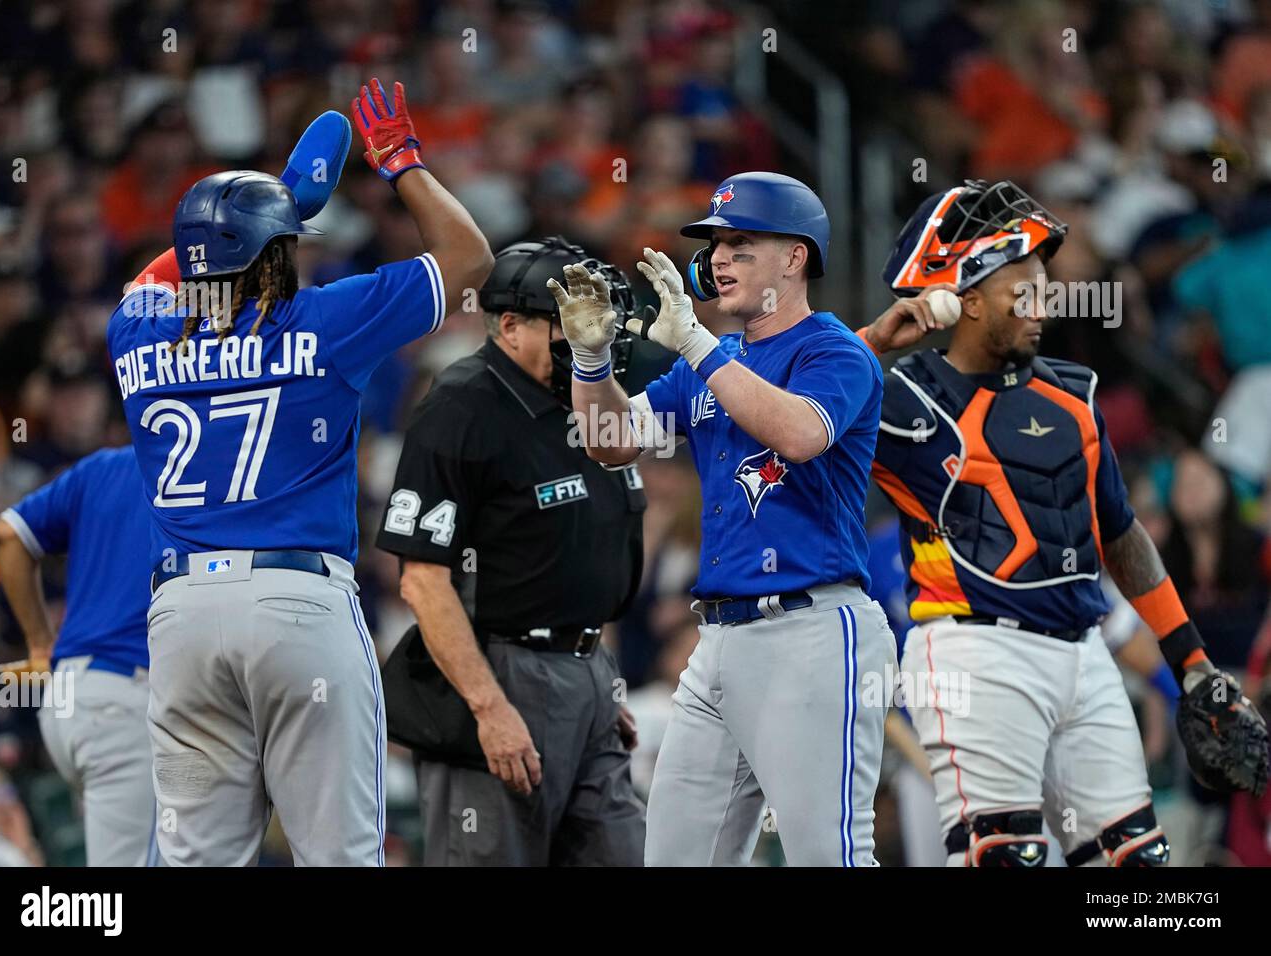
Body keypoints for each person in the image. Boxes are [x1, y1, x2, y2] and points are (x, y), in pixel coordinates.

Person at [105, 77, 493, 866]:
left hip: (180, 616)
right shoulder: (324, 317)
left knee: (198, 860)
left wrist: (272, 203)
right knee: (341, 854)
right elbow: (469, 256)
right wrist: (400, 160)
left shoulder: (133, 332)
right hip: (295, 603)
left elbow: (163, 276)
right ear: (278, 252)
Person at [859, 178, 1268, 866]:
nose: (1042, 304)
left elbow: (1121, 534)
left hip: (1086, 655)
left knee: (1136, 868)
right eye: (1023, 291)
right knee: (1005, 858)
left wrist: (1192, 663)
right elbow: (786, 424)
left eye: (1045, 287)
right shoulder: (903, 398)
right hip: (973, 654)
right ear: (967, 299)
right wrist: (871, 341)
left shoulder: (1073, 394)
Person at [553, 171, 897, 866]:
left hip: (813, 629)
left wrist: (697, 348)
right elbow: (611, 439)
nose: (718, 259)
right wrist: (591, 362)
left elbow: (800, 434)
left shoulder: (835, 349)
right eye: (715, 245)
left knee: (827, 854)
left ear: (795, 257)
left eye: (741, 243)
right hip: (718, 641)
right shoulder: (712, 361)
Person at [376, 236, 649, 866]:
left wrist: (595, 678)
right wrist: (488, 707)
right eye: (571, 320)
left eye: (600, 318)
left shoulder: (589, 398)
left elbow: (576, 555)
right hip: (500, 671)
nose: (592, 334)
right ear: (509, 324)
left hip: (587, 668)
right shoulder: (461, 406)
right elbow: (422, 580)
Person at [0, 445, 157, 865]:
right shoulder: (213, 462)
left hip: (70, 696)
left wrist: (38, 644)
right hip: (125, 702)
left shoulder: (103, 466)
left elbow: (9, 533)